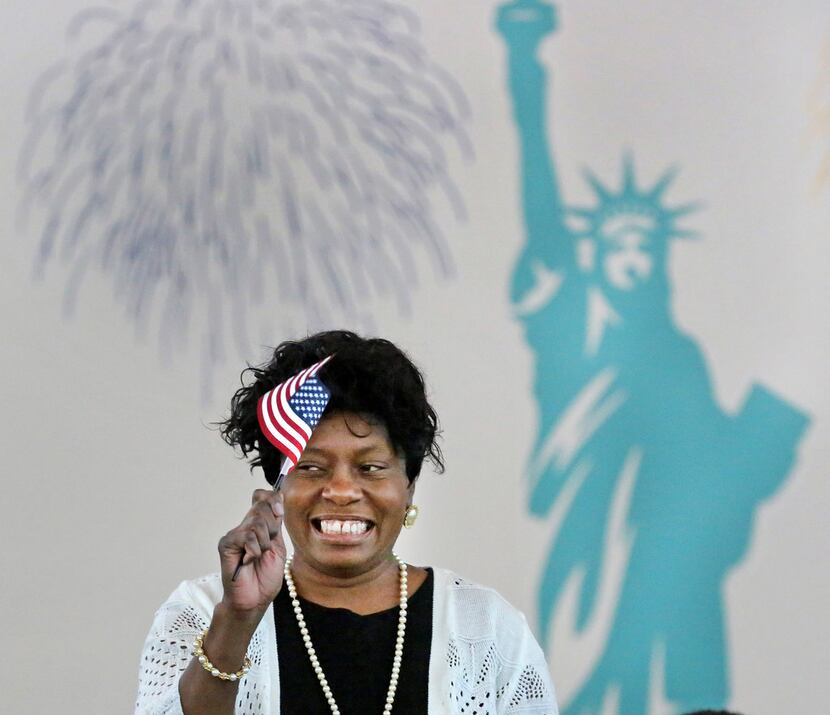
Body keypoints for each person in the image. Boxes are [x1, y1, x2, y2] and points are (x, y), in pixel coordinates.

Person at [135, 330, 558, 714]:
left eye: (370, 467)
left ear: (408, 485)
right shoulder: (201, 612)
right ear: (277, 492)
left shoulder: (487, 629)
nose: (340, 490)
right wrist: (237, 618)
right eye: (312, 467)